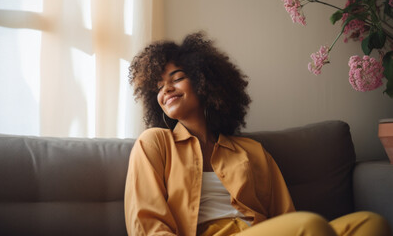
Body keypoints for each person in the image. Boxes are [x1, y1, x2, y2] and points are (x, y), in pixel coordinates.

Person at [124, 32, 391, 236]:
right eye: (158, 86)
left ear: (204, 80)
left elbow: (284, 216)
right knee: (309, 225)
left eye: (176, 77)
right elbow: (147, 222)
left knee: (370, 224)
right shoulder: (155, 143)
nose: (166, 89)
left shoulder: (251, 151)